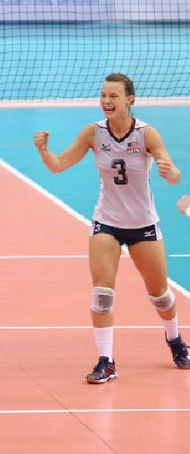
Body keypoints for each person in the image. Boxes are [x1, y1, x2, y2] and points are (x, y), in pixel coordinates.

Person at [33, 73, 190, 383]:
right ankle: (106, 361)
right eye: (103, 95)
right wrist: (44, 151)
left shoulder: (146, 134)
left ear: (129, 99)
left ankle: (175, 340)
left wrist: (169, 171)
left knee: (160, 296)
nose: (106, 101)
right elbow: (58, 165)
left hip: (143, 224)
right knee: (102, 295)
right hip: (107, 222)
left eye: (113, 96)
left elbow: (174, 176)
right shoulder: (93, 133)